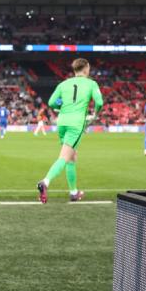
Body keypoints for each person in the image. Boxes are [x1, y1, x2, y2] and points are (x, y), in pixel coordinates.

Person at [37, 58, 103, 203]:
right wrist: (95, 115)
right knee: (64, 157)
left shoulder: (64, 84)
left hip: (62, 122)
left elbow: (51, 102)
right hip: (76, 123)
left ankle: (73, 192)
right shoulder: (91, 83)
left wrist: (62, 106)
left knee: (72, 156)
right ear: (86, 69)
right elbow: (99, 102)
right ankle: (45, 182)